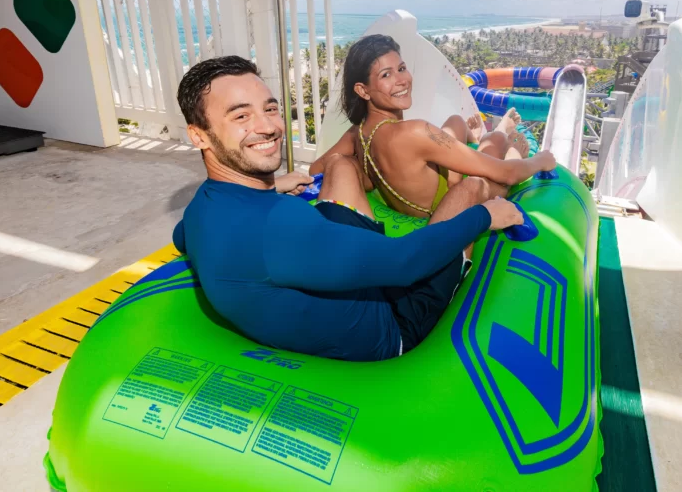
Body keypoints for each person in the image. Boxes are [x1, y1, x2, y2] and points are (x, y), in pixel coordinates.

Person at [171, 55, 524, 362]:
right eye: (240, 117)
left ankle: (497, 137)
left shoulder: (200, 211)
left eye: (270, 108)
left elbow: (181, 237)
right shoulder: (278, 226)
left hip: (327, 268)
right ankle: (509, 143)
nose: (268, 127)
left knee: (341, 164)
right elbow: (403, 264)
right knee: (473, 189)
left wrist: (272, 186)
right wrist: (486, 216)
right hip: (391, 323)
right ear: (199, 135)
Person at [310, 35, 555, 224]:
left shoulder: (357, 133)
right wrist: (540, 160)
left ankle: (474, 136)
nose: (402, 80)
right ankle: (501, 133)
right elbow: (508, 175)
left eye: (402, 68)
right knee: (496, 139)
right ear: (363, 91)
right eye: (386, 74)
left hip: (424, 179)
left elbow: (316, 169)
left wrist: (364, 172)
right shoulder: (414, 132)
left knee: (456, 121)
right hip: (446, 201)